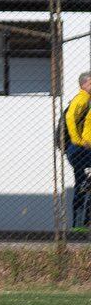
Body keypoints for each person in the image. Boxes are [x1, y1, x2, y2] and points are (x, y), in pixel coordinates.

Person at [66, 73, 91, 233]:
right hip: (80, 150)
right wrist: (77, 140)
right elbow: (70, 118)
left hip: (81, 150)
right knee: (82, 183)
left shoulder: (86, 100)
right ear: (84, 84)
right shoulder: (82, 99)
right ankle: (82, 222)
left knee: (81, 183)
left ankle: (78, 224)